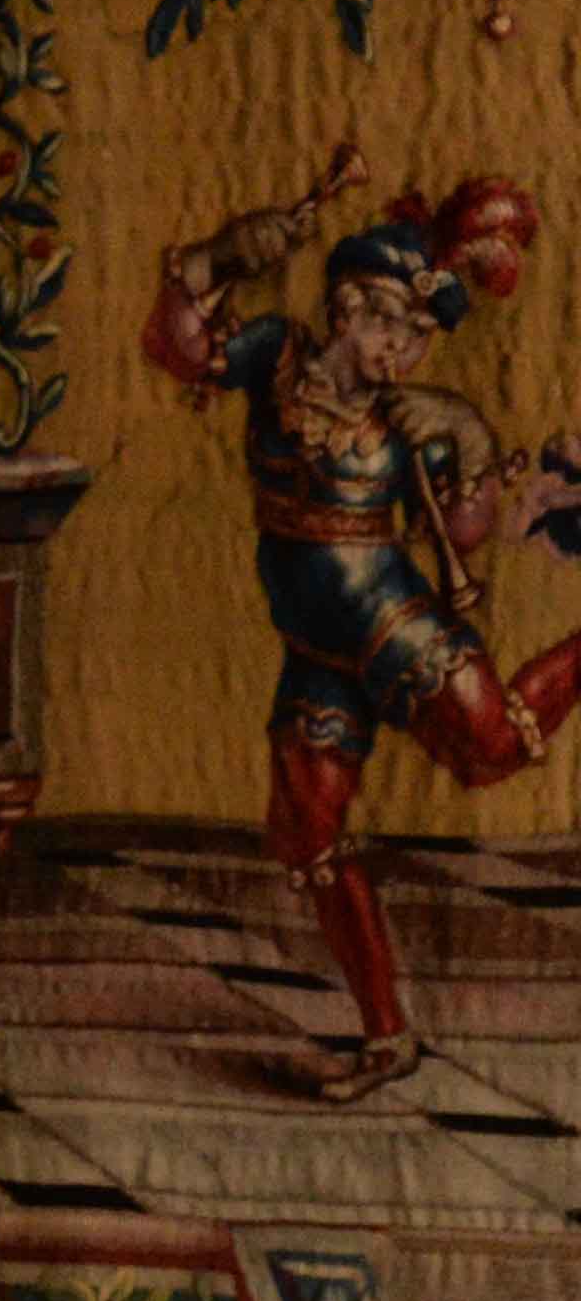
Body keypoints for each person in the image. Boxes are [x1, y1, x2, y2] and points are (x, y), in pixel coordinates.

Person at [147, 148, 578, 1097]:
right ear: (350, 309)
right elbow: (176, 350)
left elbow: (461, 532)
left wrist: (466, 442)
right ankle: (387, 1038)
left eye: (420, 340)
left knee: (494, 749)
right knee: (307, 835)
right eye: (400, 330)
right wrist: (217, 258)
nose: (407, 354)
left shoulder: (409, 418)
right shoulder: (276, 357)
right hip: (315, 650)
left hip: (391, 622)